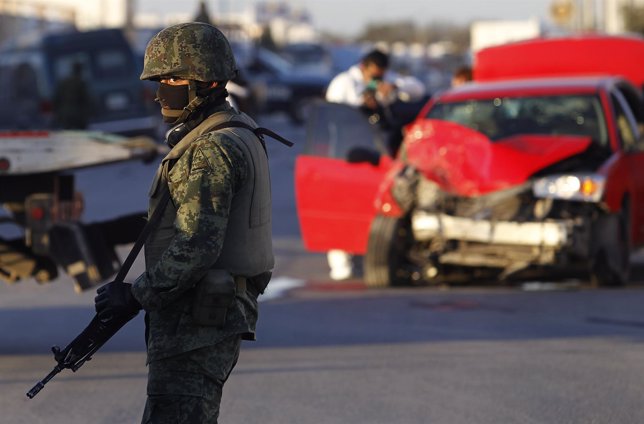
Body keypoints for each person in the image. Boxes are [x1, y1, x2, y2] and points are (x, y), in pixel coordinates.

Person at [93, 22, 275, 423]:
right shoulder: (236, 129)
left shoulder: (211, 148)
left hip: (196, 322)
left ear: (207, 81)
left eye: (174, 78)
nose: (162, 90)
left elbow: (196, 246)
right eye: (160, 79)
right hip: (208, 315)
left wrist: (137, 295)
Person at [324, 49, 425, 281]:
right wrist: (361, 103)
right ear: (364, 67)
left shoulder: (386, 82)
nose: (377, 79)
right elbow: (333, 115)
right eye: (374, 75)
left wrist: (393, 89)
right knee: (342, 207)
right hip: (346, 153)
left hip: (377, 154)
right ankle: (341, 263)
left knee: (372, 206)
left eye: (381, 75)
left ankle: (364, 254)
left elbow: (417, 89)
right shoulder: (343, 84)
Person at [52, 61, 92, 129]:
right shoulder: (80, 82)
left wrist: (57, 113)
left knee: (69, 134)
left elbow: (56, 99)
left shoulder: (64, 82)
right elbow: (86, 99)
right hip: (78, 114)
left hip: (66, 114)